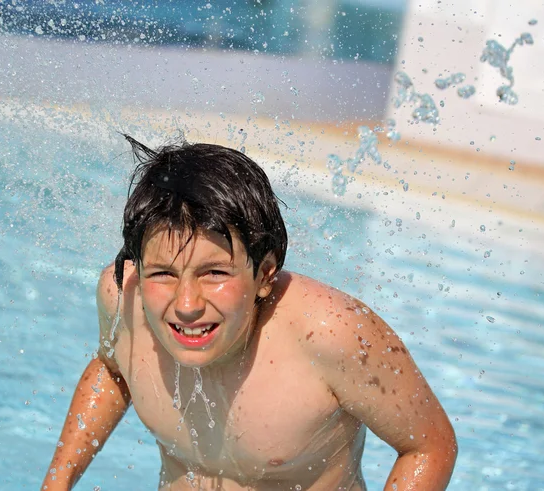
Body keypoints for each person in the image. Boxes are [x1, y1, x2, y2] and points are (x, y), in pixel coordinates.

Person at [42, 135, 457, 491]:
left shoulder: (331, 333)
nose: (187, 305)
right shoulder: (125, 299)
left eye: (215, 273)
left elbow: (429, 445)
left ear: (265, 273)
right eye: (164, 273)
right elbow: (114, 369)